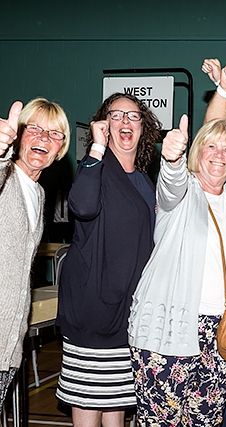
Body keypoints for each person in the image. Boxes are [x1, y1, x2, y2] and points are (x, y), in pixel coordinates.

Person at [128, 114, 226, 426]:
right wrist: (172, 158)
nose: (220, 154)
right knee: (160, 422)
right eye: (211, 146)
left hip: (219, 332)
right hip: (169, 324)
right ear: (197, 152)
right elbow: (170, 183)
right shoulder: (182, 192)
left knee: (206, 421)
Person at [55, 93, 161, 426]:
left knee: (116, 410)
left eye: (134, 116)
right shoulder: (96, 167)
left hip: (126, 316)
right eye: (117, 116)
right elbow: (82, 207)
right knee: (89, 409)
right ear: (104, 125)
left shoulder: (143, 179)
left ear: (143, 127)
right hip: (93, 311)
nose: (126, 122)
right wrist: (96, 150)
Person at [0, 99, 70, 409]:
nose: (43, 138)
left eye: (53, 134)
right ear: (17, 135)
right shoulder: (7, 177)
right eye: (34, 128)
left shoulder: (38, 192)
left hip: (7, 345)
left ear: (60, 149)